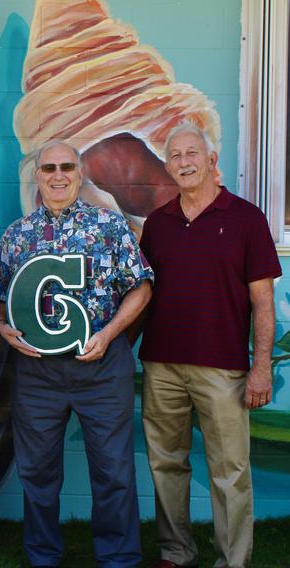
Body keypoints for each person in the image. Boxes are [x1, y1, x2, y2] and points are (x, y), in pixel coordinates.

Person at [0, 140, 152, 568]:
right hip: (38, 372)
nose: (58, 175)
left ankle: (118, 559)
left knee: (113, 472)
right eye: (49, 168)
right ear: (38, 175)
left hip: (100, 366)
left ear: (80, 173)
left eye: (67, 167)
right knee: (38, 474)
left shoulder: (109, 226)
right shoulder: (17, 234)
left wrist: (111, 333)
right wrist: (2, 326)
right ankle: (43, 556)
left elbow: (141, 287)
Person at [139, 122, 281, 568]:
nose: (184, 161)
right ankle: (176, 552)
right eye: (175, 155)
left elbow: (263, 302)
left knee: (230, 471)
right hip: (161, 364)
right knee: (166, 464)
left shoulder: (245, 218)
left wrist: (261, 368)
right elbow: (142, 296)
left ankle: (233, 560)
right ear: (167, 166)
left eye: (192, 153)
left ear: (211, 160)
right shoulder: (158, 224)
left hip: (223, 367)